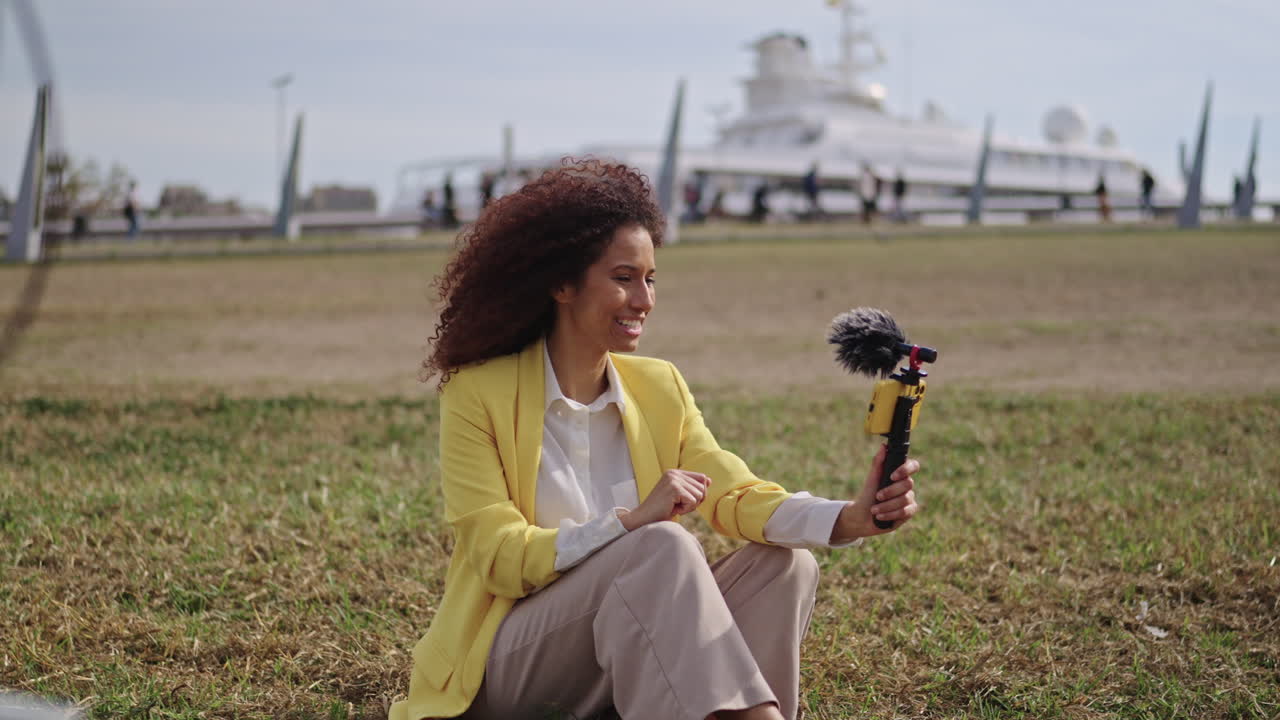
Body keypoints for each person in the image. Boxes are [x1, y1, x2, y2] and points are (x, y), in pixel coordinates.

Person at [390, 159, 921, 720]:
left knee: (785, 568)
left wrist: (851, 517)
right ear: (562, 284)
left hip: (622, 642)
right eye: (623, 278)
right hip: (511, 664)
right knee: (660, 547)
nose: (644, 300)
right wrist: (629, 523)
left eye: (649, 279)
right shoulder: (477, 394)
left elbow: (732, 491)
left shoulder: (659, 384)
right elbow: (499, 557)